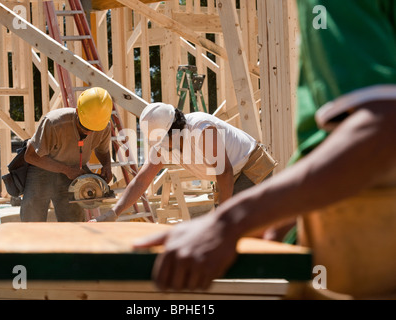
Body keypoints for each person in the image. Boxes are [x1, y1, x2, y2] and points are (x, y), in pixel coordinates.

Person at [132, 0, 396, 298]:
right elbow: (144, 176)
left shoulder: (201, 129)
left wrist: (226, 221)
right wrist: (290, 211)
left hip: (269, 173)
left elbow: (380, 130)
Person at [94, 102, 277, 222]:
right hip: (230, 176)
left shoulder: (202, 129)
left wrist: (222, 216)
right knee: (224, 230)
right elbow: (141, 181)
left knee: (239, 226)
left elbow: (225, 172)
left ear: (175, 129)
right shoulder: (163, 145)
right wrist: (114, 213)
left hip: (251, 167)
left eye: (163, 141)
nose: (162, 148)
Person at [21, 87, 113, 222]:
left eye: (94, 129)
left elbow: (102, 150)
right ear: (77, 112)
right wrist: (65, 170)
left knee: (74, 221)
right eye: (85, 127)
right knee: (32, 218)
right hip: (42, 169)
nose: (88, 133)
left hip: (74, 171)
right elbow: (30, 156)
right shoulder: (54, 123)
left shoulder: (104, 126)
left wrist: (107, 165)